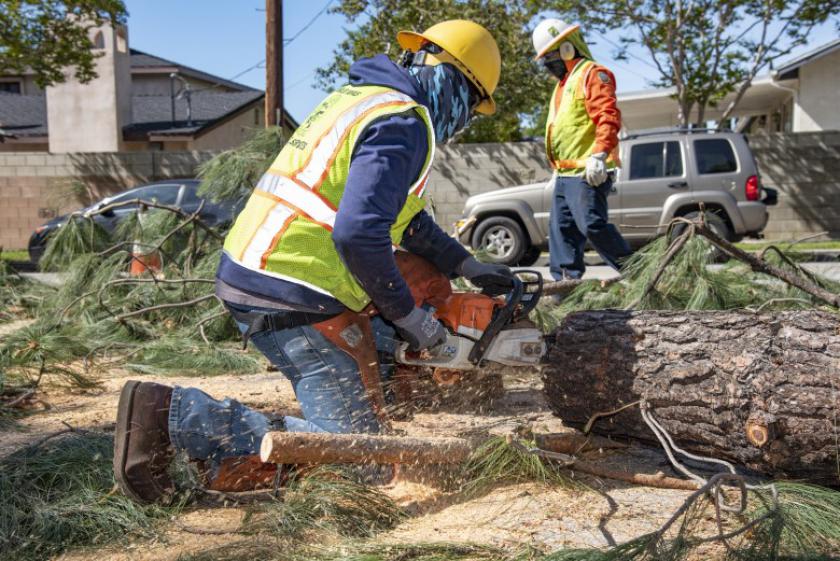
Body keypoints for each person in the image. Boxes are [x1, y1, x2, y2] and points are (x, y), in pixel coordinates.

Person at [113, 19, 515, 504]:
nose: (466, 118)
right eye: (471, 105)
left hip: (262, 268)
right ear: (456, 84)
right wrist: (413, 319)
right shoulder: (403, 121)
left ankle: (228, 462)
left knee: (382, 343)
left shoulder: (361, 101)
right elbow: (359, 233)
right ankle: (174, 412)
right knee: (362, 459)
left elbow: (405, 220)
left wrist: (467, 266)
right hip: (293, 286)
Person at [532, 18, 632, 280]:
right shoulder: (563, 85)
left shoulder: (593, 74)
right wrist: (557, 170)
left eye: (549, 56)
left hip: (588, 171)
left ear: (567, 48)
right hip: (566, 175)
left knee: (591, 224)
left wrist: (599, 153)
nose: (546, 64)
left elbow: (608, 116)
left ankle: (639, 273)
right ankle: (565, 288)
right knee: (561, 231)